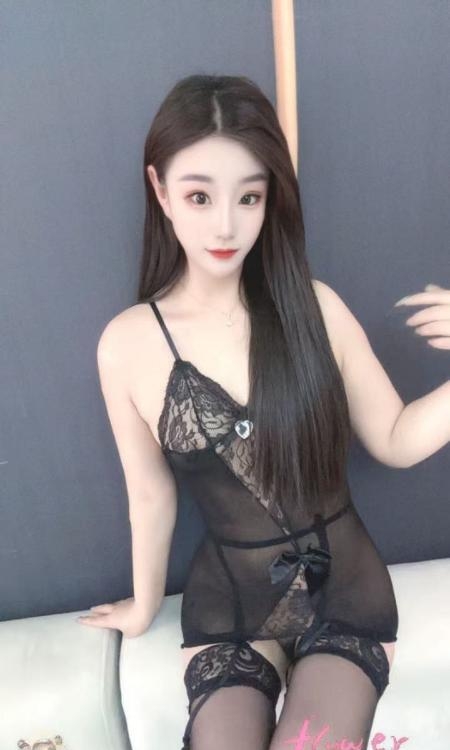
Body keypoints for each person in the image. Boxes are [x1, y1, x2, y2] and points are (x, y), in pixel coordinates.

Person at [78, 74, 405, 750]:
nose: (225, 225)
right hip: (229, 601)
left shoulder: (314, 307)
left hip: (345, 595)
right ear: (160, 190)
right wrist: (143, 604)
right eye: (199, 196)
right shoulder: (129, 344)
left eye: (249, 197)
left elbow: (395, 438)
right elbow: (150, 493)